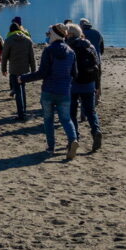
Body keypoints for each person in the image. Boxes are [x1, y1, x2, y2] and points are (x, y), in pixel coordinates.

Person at [18, 24, 80, 160]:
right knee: (66, 119)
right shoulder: (71, 52)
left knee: (48, 119)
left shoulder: (48, 51)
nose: (47, 36)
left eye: (49, 33)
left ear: (54, 35)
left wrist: (23, 78)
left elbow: (42, 73)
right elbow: (75, 74)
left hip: (48, 91)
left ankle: (51, 147)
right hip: (64, 91)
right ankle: (73, 140)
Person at [66, 24, 103, 152]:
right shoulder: (89, 46)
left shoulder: (68, 47)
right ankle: (96, 131)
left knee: (72, 112)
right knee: (90, 111)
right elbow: (97, 66)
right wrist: (97, 85)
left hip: (73, 84)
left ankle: (74, 138)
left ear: (70, 34)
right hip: (89, 83)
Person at [1, 22, 36, 120]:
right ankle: (23, 111)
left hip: (14, 70)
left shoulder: (8, 40)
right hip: (24, 70)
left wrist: (3, 69)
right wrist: (33, 70)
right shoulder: (28, 40)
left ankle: (21, 114)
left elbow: (4, 56)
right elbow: (32, 57)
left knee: (17, 91)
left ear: (10, 30)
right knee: (22, 89)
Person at [79, 18, 105, 101]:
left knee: (85, 78)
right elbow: (101, 47)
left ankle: (83, 96)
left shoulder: (81, 34)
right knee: (97, 77)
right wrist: (99, 55)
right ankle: (98, 96)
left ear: (81, 25)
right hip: (97, 59)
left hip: (84, 60)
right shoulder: (97, 33)